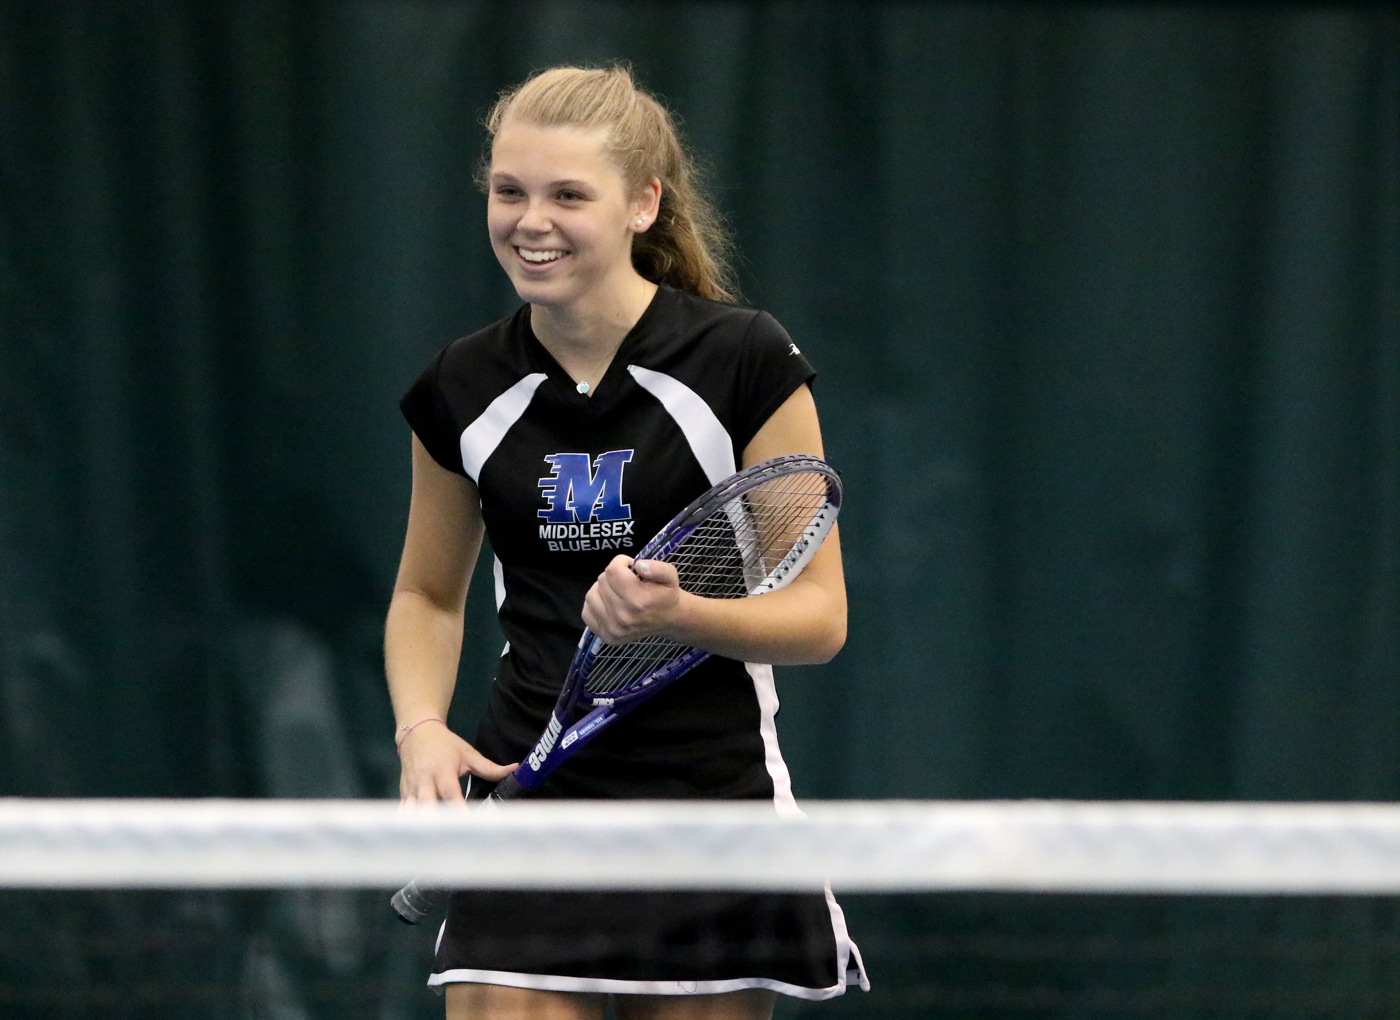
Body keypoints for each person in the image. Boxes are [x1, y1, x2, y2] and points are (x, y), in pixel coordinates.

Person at [387, 64, 867, 1020]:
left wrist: (680, 615)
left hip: (710, 814)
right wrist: (421, 730)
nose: (531, 221)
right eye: (510, 191)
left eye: (568, 195)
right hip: (530, 806)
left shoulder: (743, 361)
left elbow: (820, 619)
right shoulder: (460, 386)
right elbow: (426, 596)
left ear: (643, 204)